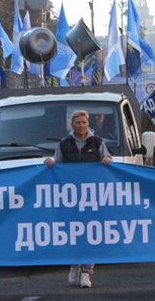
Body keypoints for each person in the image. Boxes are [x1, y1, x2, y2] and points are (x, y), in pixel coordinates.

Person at [44, 110, 112, 288]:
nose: (81, 126)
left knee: (90, 233)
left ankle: (86, 273)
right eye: (77, 123)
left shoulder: (97, 142)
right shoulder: (64, 143)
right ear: (72, 125)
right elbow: (57, 165)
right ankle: (74, 265)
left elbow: (108, 160)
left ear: (87, 124)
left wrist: (106, 160)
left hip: (92, 196)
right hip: (71, 197)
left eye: (84, 122)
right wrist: (50, 163)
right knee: (73, 232)